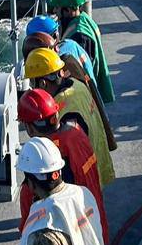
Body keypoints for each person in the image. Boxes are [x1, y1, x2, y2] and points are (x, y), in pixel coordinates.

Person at [17, 89, 108, 244]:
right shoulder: (77, 132)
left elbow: (29, 231)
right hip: (96, 227)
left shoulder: (41, 165)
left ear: (29, 128)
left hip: (72, 243)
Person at [25, 47, 114, 184]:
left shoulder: (62, 106)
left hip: (82, 181)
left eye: (32, 82)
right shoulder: (77, 85)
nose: (32, 88)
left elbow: (68, 152)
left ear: (42, 83)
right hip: (96, 166)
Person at [51, 0, 114, 105]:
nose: (54, 11)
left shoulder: (79, 36)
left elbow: (80, 72)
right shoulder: (84, 19)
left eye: (57, 7)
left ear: (68, 10)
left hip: (88, 98)